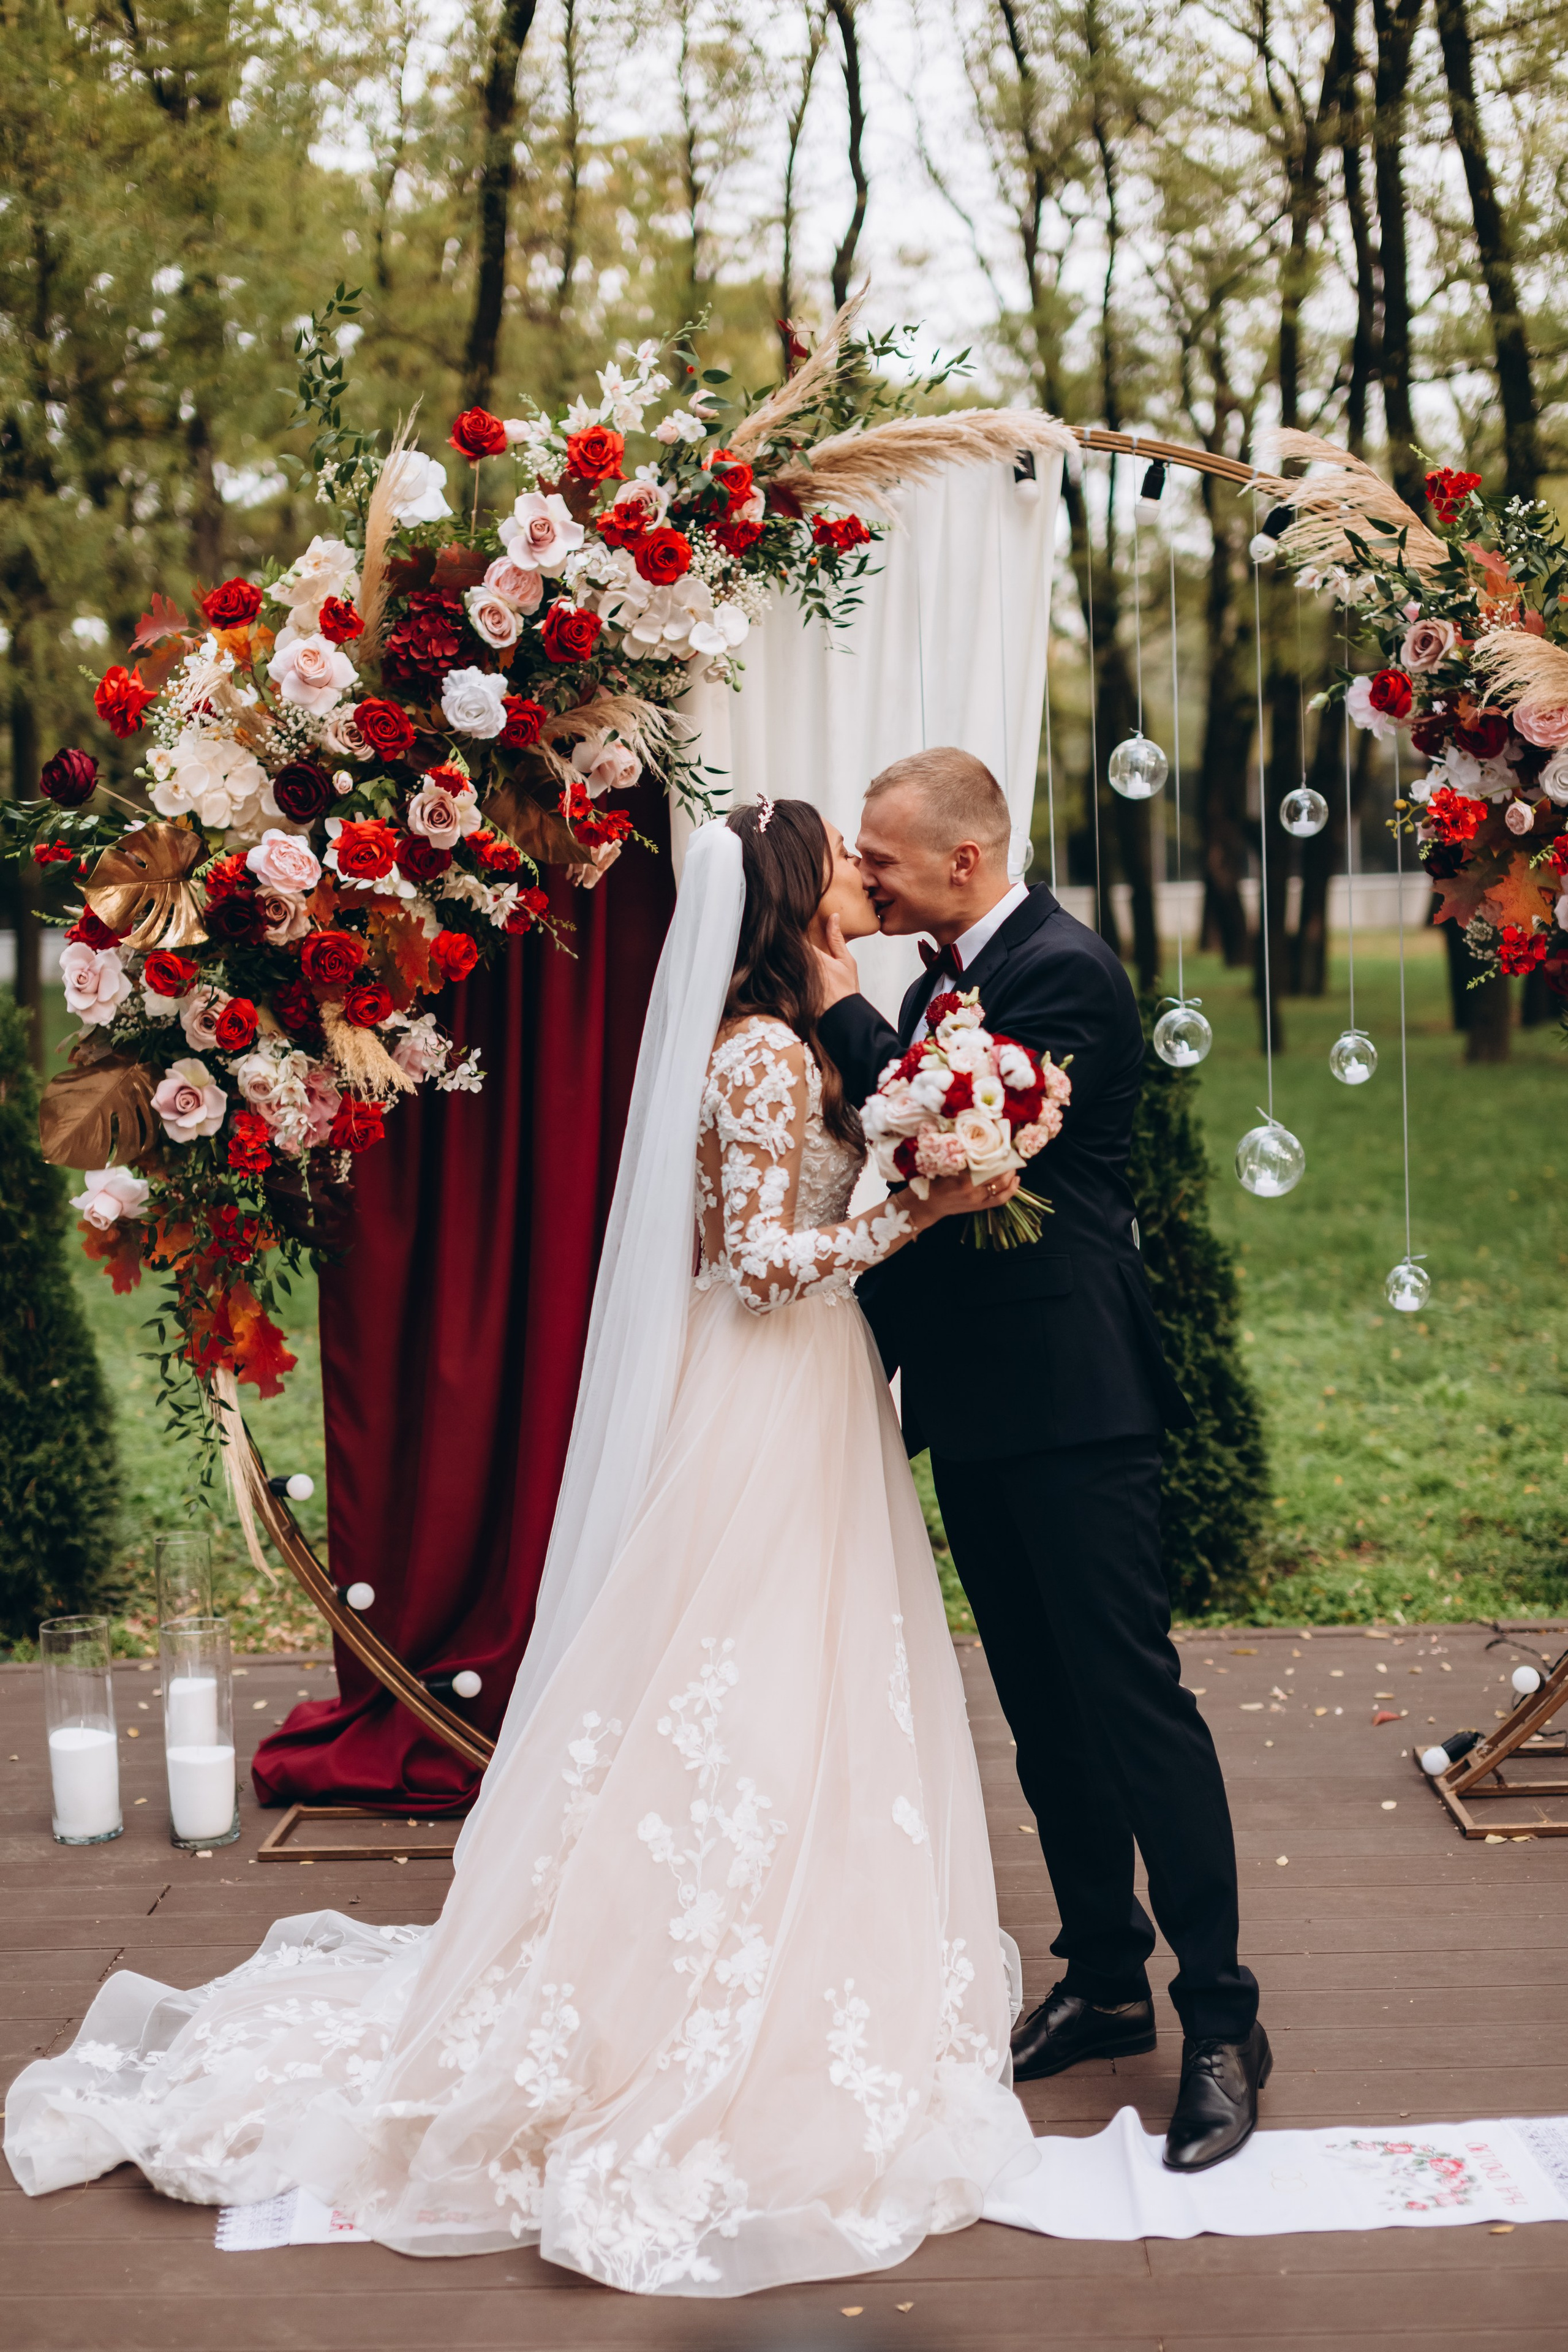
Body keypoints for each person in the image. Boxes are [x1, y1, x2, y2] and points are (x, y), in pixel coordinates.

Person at [4, 803, 1039, 2297]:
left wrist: (910, 1177)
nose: (856, 885)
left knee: (802, 1680)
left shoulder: (805, 1030)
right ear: (789, 897)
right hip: (769, 1389)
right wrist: (922, 1205)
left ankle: (795, 1943)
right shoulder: (755, 1052)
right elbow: (757, 1263)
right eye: (837, 866)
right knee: (741, 1679)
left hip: (808, 1398)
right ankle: (680, 1990)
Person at [814, 747, 1270, 2174]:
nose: (863, 876)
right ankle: (1100, 1977)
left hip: (1074, 1402)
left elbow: (951, 1133)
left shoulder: (1059, 973)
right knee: (1039, 1709)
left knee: (1130, 1707)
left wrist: (830, 996)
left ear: (962, 861)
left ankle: (1221, 2019)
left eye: (880, 858)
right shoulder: (949, 978)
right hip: (980, 1400)